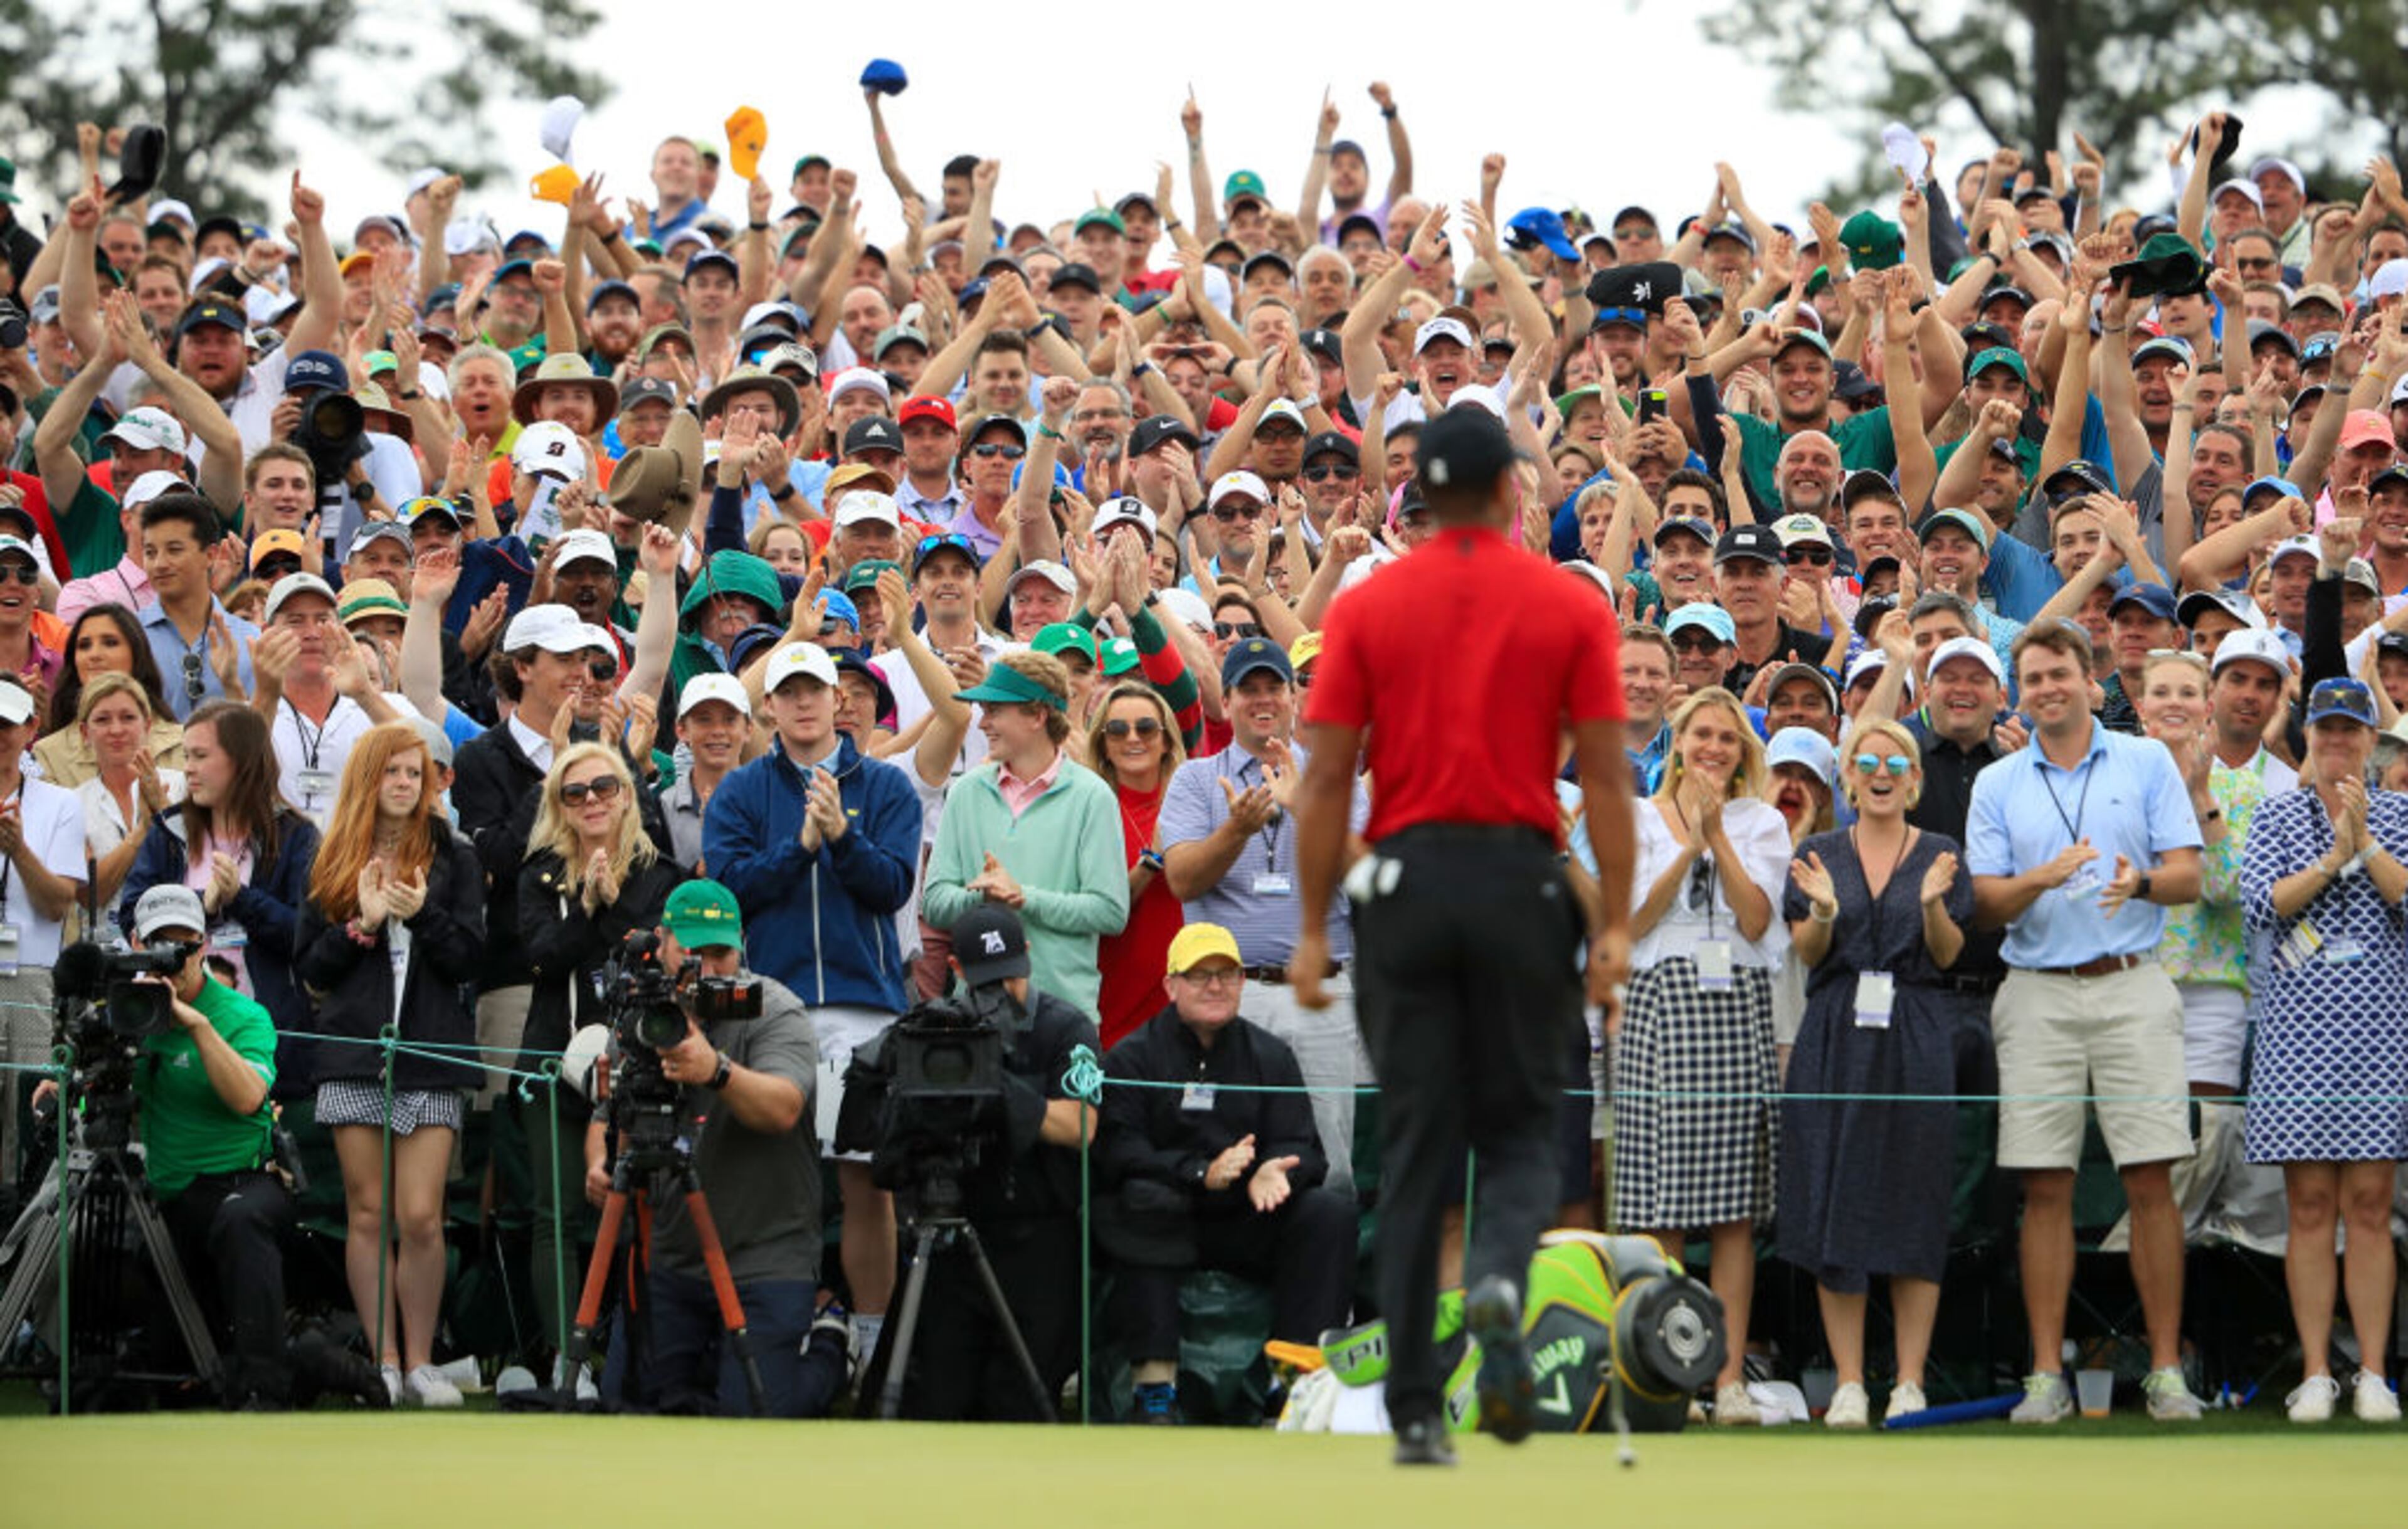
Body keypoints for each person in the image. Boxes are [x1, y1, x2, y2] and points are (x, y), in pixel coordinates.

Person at [1292, 408, 1632, 1465]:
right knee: (1525, 1132)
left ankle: (1412, 1411)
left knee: (1419, 1148)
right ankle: (1495, 1280)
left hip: (1404, 882)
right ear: (1512, 490)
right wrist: (1613, 922)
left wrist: (1310, 927)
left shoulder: (1369, 603)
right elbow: (1611, 782)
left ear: (1422, 495)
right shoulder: (1564, 602)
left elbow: (1325, 778)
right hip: (1522, 878)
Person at [1966, 620, 2207, 1424]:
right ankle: (2044, 1376)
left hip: (2133, 983)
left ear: (2090, 678)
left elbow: (2187, 876)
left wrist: (2138, 884)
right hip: (2035, 990)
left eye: (2058, 673)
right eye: (2032, 678)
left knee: (2151, 1180)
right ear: (2019, 690)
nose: (2046, 688)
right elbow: (1987, 903)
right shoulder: (1998, 782)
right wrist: (2046, 875)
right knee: (2044, 1186)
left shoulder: (2144, 761)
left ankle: (2167, 1370)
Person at [704, 640, 921, 1367]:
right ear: (769, 705)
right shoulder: (740, 791)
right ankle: (774, 1331)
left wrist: (841, 837)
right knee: (776, 1184)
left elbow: (891, 887)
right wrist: (800, 847)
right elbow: (729, 893)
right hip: (770, 1009)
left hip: (864, 1006)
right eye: (789, 691)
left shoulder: (885, 786)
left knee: (866, 1181)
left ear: (841, 701)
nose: (802, 702)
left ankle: (870, 1338)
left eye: (815, 690)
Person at [586, 881, 842, 1419]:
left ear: (741, 946)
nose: (704, 968)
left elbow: (785, 1108)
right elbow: (608, 1117)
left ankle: (830, 1345)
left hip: (766, 1257)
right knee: (626, 1407)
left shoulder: (773, 1009)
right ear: (662, 943)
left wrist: (717, 1071)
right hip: (671, 1257)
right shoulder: (642, 1013)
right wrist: (599, 1165)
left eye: (719, 953)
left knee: (755, 1417)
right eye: (691, 952)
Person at [1779, 720, 1973, 1428]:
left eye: (1897, 761)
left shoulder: (1943, 853)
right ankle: (1854, 1381)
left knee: (1914, 1195)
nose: (1883, 770)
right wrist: (1826, 910)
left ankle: (1911, 1379)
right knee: (1836, 1194)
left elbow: (1949, 954)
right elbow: (1808, 949)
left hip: (1917, 1028)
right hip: (1834, 1029)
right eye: (1867, 760)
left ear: (1915, 781)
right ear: (1850, 778)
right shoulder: (1818, 851)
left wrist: (1929, 907)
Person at [1611, 686, 1790, 1425]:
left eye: (1728, 738)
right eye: (1702, 735)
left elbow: (1755, 922)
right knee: (1663, 1208)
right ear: (1678, 742)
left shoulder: (1764, 822)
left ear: (1743, 751)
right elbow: (1631, 920)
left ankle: (1726, 1379)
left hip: (1735, 1009)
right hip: (1659, 1005)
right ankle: (1668, 1374)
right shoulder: (1635, 817)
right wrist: (1687, 842)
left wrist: (1717, 835)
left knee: (1735, 1215)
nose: (1713, 748)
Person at [292, 722, 486, 1407]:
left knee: (422, 1214)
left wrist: (424, 912)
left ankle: (422, 1359)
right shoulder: (331, 857)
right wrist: (363, 925)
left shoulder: (455, 857)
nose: (405, 784)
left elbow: (470, 957)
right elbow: (310, 967)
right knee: (368, 1212)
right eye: (393, 772)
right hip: (353, 1055)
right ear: (368, 778)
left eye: (416, 773)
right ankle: (383, 1359)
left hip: (432, 1055)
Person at [1098, 923, 1354, 1424]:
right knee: (1142, 1199)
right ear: (1171, 985)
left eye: (1226, 974)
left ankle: (1294, 1386)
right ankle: (1156, 1392)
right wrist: (1199, 1173)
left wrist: (1269, 1172)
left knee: (1329, 1212)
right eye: (1199, 976)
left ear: (1242, 983)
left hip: (1247, 1218)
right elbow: (1118, 1150)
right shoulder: (1133, 1055)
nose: (1214, 986)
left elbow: (1305, 1148)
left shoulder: (1270, 1054)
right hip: (1169, 1218)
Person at [2239, 679, 2408, 1424]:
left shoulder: (2401, 813)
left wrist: (2362, 843)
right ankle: (2315, 1370)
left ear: (2372, 740)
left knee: (2370, 1205)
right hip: (2297, 1037)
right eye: (2326, 729)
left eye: (2351, 730)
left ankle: (2373, 1370)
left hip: (2378, 1034)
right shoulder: (2276, 814)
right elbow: (2259, 904)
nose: (2337, 741)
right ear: (2307, 735)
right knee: (2308, 1205)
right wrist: (2329, 857)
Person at [1160, 636, 1372, 1192]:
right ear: (1226, 702)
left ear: (1293, 697)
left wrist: (1307, 808)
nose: (1263, 700)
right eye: (1247, 689)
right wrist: (1236, 830)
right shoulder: (1196, 779)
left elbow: (1372, 884)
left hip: (1321, 995)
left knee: (1331, 1163)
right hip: (1230, 994)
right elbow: (1181, 879)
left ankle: (1327, 1272)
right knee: (1228, 1153)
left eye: (1274, 687)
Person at [517, 741, 686, 1375]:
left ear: (626, 794)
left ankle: (637, 1360)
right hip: (552, 1055)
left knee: (645, 1212)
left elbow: (655, 959)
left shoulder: (660, 873)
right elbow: (540, 956)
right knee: (554, 1212)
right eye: (575, 791)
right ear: (558, 803)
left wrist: (613, 906)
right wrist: (587, 906)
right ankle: (568, 1358)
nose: (591, 800)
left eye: (604, 787)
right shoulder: (537, 870)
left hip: (639, 1061)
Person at [892, 906, 1099, 1421]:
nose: (1001, 992)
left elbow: (1083, 1126)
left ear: (1028, 958)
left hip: (1039, 1234)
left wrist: (1000, 1087)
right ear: (957, 969)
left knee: (1021, 1399)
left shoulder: (1067, 1027)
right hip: (951, 1224)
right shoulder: (935, 1031)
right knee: (941, 1396)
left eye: (1009, 976)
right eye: (986, 981)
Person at [127, 884, 292, 1407]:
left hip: (242, 1181)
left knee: (240, 1219)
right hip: (167, 1195)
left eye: (184, 947)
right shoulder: (127, 1010)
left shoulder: (245, 1017)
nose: (172, 960)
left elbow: (248, 1097)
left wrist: (195, 1024)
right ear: (136, 945)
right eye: (159, 946)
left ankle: (266, 1388)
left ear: (204, 946)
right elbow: (98, 1093)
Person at [120, 701, 322, 1094]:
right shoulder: (170, 829)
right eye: (186, 756)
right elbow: (132, 917)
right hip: (174, 1025)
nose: (188, 768)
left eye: (200, 756)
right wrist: (200, 906)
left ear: (241, 761)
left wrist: (240, 900)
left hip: (262, 1027)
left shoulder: (295, 835)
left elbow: (306, 937)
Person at [923, 650, 1131, 1022]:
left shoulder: (1093, 796)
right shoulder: (965, 792)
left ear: (1038, 715)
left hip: (1064, 1018)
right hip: (975, 1015)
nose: (982, 723)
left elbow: (1110, 911)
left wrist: (1023, 898)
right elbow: (935, 902)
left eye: (995, 711)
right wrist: (984, 897)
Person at [1087, 682, 1190, 1050]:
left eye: (1146, 728)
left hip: (1187, 991)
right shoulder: (1090, 808)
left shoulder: (1192, 802)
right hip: (1115, 991)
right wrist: (1153, 861)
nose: (1133, 738)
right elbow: (1101, 908)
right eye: (1117, 730)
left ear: (1166, 740)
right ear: (1102, 744)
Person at [34, 603, 185, 788]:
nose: (94, 655)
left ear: (137, 653)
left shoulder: (182, 742)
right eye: (84, 646)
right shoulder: (49, 754)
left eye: (110, 643)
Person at [73, 673, 184, 921]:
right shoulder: (73, 803)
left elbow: (195, 869)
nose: (116, 730)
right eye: (102, 720)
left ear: (147, 726)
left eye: (128, 718)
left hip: (175, 938)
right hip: (103, 949)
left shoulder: (181, 785)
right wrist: (143, 830)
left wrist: (164, 811)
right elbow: (89, 895)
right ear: (84, 733)